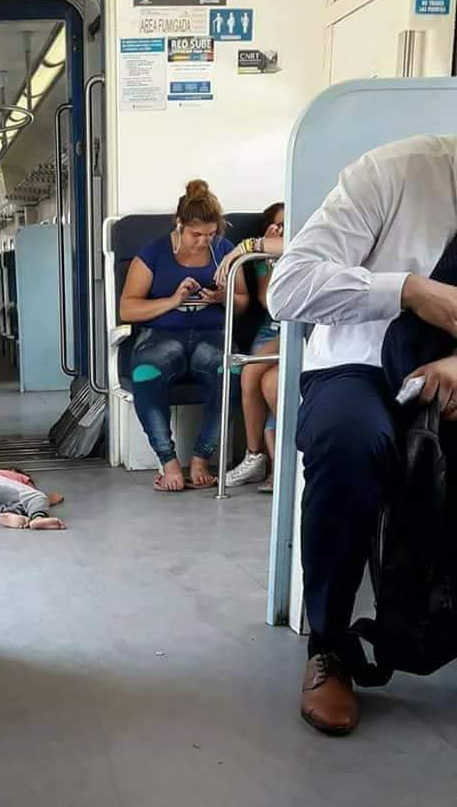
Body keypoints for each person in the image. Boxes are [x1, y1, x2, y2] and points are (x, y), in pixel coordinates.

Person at [267, 134, 457, 736]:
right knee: (349, 443)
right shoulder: (398, 172)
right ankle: (329, 647)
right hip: (361, 361)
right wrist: (406, 289)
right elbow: (288, 287)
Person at [120, 179, 249, 491]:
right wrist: (172, 301)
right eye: (196, 235)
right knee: (146, 374)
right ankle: (168, 461)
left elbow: (243, 302)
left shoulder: (224, 251)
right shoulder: (153, 254)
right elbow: (127, 309)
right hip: (161, 336)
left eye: (210, 234)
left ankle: (202, 458)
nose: (204, 242)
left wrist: (222, 298)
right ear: (179, 225)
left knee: (231, 371)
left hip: (211, 334)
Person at [215, 203, 284, 492]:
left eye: (286, 225)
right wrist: (268, 259)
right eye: (276, 226)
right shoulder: (263, 259)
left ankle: (265, 461)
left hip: (299, 327)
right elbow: (269, 301)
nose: (281, 231)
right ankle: (263, 461)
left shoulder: (305, 247)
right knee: (262, 379)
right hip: (273, 327)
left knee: (257, 374)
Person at [0, 468, 66, 530]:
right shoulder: (18, 476)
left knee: (19, 507)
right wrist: (47, 499)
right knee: (37, 497)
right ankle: (38, 518)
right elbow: (31, 496)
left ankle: (13, 515)